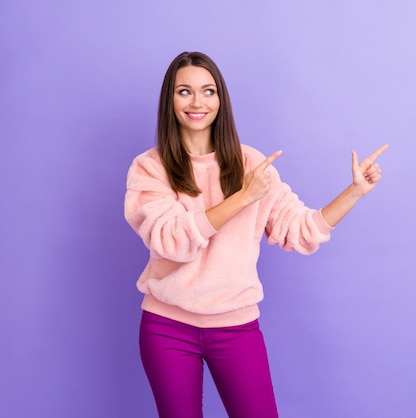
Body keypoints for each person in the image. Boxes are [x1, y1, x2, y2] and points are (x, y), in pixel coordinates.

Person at [124, 51, 388, 418]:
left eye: (208, 91)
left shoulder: (251, 164)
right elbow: (170, 240)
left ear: (221, 99)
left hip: (235, 327)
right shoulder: (150, 168)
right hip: (167, 329)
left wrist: (354, 192)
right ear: (170, 99)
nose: (197, 102)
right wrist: (242, 197)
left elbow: (302, 230)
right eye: (185, 91)